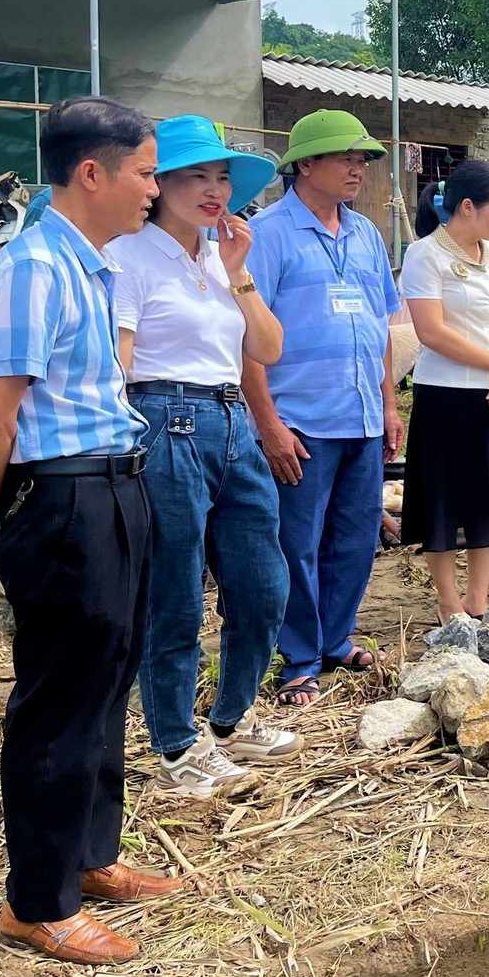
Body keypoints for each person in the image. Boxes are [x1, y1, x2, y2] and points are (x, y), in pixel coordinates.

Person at [0, 96, 177, 965]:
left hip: (114, 490)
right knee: (59, 699)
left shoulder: (91, 268)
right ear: (92, 172)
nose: (154, 191)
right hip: (61, 502)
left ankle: (90, 857)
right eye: (146, 173)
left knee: (108, 674)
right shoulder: (30, 272)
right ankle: (37, 902)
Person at [106, 115, 299, 798]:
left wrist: (240, 275)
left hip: (230, 419)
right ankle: (177, 746)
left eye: (222, 178)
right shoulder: (129, 254)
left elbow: (268, 350)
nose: (215, 190)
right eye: (197, 177)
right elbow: (118, 361)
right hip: (163, 419)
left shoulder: (221, 258)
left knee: (263, 584)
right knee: (176, 596)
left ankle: (230, 717)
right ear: (159, 185)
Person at [244, 110, 403, 707]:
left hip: (362, 417)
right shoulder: (266, 234)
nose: (358, 168)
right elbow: (246, 336)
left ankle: (336, 639)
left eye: (363, 159)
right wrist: (268, 423)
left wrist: (389, 405)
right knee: (297, 542)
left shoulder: (364, 233)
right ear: (304, 164)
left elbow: (380, 327)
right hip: (300, 421)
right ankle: (300, 658)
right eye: (346, 157)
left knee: (357, 538)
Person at [399, 159, 489, 620]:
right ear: (468, 207)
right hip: (446, 394)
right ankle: (447, 598)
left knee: (487, 495)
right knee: (443, 497)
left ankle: (479, 596)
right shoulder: (425, 254)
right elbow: (431, 331)